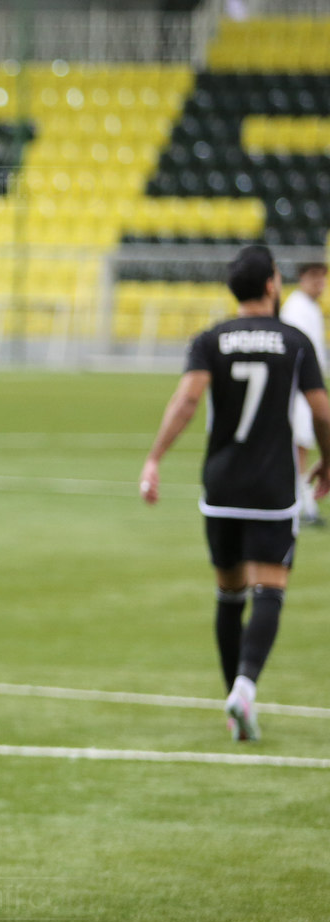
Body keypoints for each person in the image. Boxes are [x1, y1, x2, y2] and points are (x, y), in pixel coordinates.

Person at [141, 245, 330, 741]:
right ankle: (244, 689)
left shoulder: (211, 339)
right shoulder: (295, 340)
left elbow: (187, 399)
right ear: (271, 284)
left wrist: (155, 458)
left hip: (221, 484)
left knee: (229, 593)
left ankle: (233, 705)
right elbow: (321, 411)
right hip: (272, 486)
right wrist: (328, 460)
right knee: (271, 588)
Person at [281, 261, 327, 525]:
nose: (319, 284)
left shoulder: (310, 307)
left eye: (322, 279)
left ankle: (303, 502)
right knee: (298, 445)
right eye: (314, 278)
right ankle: (299, 503)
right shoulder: (297, 307)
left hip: (307, 387)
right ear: (302, 279)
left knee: (303, 444)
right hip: (299, 389)